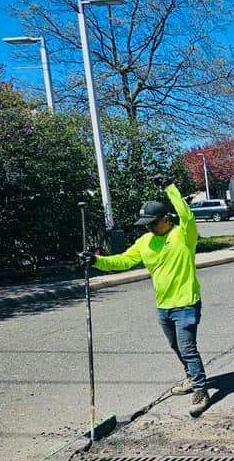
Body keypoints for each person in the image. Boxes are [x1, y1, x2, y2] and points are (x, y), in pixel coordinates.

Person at [80, 178, 210, 418]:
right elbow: (123, 260)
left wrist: (170, 186)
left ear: (166, 220)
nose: (149, 228)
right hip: (163, 306)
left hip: (186, 303)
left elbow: (187, 214)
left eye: (153, 223)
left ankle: (201, 390)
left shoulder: (183, 235)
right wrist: (96, 261)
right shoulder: (144, 241)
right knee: (175, 347)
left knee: (187, 348)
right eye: (145, 224)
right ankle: (192, 378)